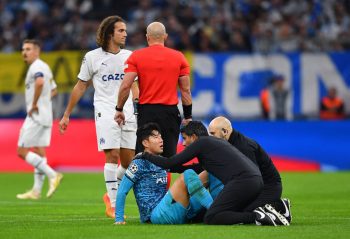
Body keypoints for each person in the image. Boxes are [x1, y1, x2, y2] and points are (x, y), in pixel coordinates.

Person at [59, 16, 138, 218]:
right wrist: (66, 114)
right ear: (110, 34)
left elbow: (134, 85)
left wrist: (138, 108)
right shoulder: (92, 57)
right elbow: (81, 85)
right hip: (105, 111)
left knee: (129, 163)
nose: (125, 34)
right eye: (121, 30)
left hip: (128, 111)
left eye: (125, 30)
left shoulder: (130, 56)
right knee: (111, 155)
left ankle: (109, 194)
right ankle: (113, 205)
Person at [142, 121, 290, 226]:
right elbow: (194, 168)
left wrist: (144, 155)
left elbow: (170, 162)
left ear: (194, 136)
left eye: (185, 139)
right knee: (226, 212)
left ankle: (257, 216)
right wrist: (170, 168)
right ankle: (274, 209)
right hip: (253, 180)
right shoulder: (215, 145)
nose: (184, 143)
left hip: (243, 181)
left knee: (212, 216)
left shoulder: (201, 143)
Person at [114, 21, 192, 159]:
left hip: (147, 112)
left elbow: (126, 85)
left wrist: (119, 109)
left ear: (147, 37)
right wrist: (188, 116)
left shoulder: (136, 56)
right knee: (168, 160)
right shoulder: (179, 57)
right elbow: (185, 91)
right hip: (170, 113)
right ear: (165, 36)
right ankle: (164, 180)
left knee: (144, 157)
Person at [115, 123, 213, 224]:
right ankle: (213, 209)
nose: (161, 140)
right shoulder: (138, 163)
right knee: (188, 174)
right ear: (145, 143)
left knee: (208, 173)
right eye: (156, 137)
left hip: (168, 208)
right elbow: (122, 191)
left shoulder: (161, 161)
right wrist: (119, 219)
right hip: (155, 215)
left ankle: (219, 209)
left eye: (161, 136)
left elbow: (180, 168)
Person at [208, 116, 292, 223]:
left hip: (268, 187)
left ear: (225, 131)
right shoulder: (229, 144)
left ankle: (278, 206)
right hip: (257, 185)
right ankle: (276, 208)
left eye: (212, 133)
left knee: (240, 212)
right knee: (233, 210)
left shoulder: (244, 147)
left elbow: (254, 180)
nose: (210, 137)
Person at [16, 39, 63, 200]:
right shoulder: (44, 66)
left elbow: (40, 82)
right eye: (23, 49)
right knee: (39, 150)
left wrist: (35, 103)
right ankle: (36, 191)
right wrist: (43, 101)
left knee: (21, 152)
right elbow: (54, 90)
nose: (25, 52)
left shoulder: (36, 66)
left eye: (28, 49)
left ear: (37, 51)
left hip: (36, 116)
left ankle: (53, 175)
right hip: (45, 115)